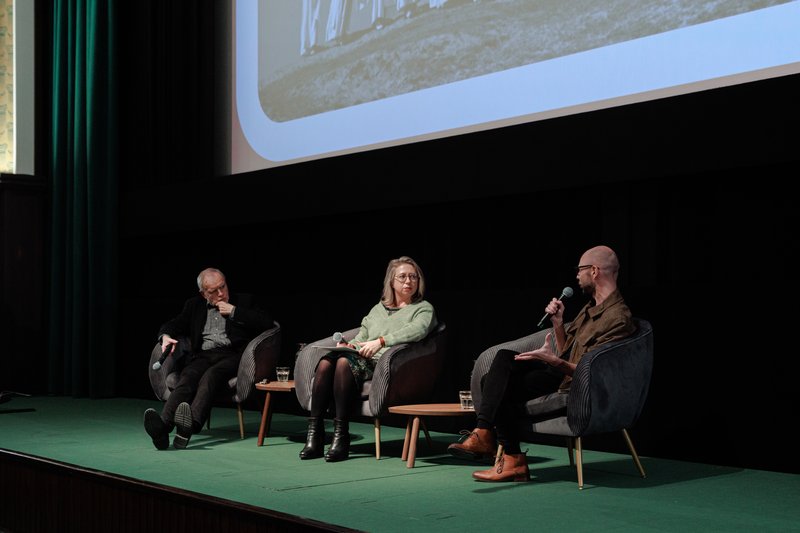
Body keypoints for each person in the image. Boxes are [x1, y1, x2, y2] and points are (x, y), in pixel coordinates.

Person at [447, 245, 636, 481]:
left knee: (499, 384)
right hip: (561, 372)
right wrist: (558, 323)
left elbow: (592, 373)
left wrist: (554, 361)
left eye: (580, 270)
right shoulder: (590, 307)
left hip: (576, 384)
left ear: (594, 271)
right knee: (501, 364)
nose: (577, 276)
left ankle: (507, 455)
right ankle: (489, 437)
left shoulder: (618, 318)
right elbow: (567, 351)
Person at [300, 256, 437, 462]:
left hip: (386, 363)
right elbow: (362, 336)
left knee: (343, 363)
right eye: (402, 277)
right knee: (326, 362)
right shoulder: (378, 309)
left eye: (413, 277)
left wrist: (381, 341)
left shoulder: (423, 308)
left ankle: (341, 435)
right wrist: (350, 346)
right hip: (361, 357)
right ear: (391, 281)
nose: (408, 281)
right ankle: (315, 433)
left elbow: (417, 331)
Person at [143, 268, 273, 450]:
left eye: (223, 287)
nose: (221, 293)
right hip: (203, 355)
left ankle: (191, 425)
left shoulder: (244, 301)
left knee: (211, 375)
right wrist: (165, 336)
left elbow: (267, 322)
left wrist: (235, 311)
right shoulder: (194, 305)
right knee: (187, 377)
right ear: (203, 293)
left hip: (233, 355)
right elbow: (175, 323)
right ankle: (163, 427)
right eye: (214, 291)